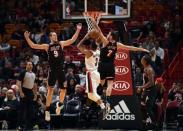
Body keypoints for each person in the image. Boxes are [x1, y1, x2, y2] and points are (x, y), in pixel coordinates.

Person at [24, 23, 82, 121]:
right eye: (54, 35)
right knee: (50, 90)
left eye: (56, 35)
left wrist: (78, 30)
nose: (55, 36)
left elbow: (72, 40)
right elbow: (33, 46)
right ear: (50, 37)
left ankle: (59, 105)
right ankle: (47, 110)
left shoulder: (61, 44)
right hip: (52, 71)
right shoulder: (47, 46)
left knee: (63, 89)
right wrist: (27, 37)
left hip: (61, 70)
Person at [92, 21, 149, 103]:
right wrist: (142, 49)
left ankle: (100, 95)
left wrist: (95, 23)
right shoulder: (118, 44)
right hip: (110, 65)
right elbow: (131, 48)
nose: (107, 35)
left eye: (109, 34)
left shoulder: (105, 41)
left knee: (101, 83)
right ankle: (107, 100)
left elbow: (99, 31)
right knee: (110, 84)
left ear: (111, 36)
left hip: (102, 64)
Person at [77, 33, 107, 117]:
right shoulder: (98, 51)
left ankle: (103, 106)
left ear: (90, 47)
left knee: (91, 94)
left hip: (91, 74)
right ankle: (102, 106)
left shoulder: (89, 52)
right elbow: (97, 43)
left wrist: (84, 38)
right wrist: (96, 38)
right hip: (97, 73)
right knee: (90, 95)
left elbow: (78, 46)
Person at [136, 55, 157, 127]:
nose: (141, 59)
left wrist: (141, 87)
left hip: (151, 90)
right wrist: (142, 88)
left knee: (148, 108)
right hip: (146, 90)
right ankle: (144, 123)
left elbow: (151, 82)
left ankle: (155, 124)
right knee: (142, 106)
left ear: (145, 61)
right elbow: (145, 81)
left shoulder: (149, 69)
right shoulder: (145, 68)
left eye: (142, 58)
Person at [16, 61, 36, 130]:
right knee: (22, 110)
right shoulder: (23, 72)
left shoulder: (34, 74)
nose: (30, 66)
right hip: (24, 91)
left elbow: (34, 85)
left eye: (31, 64)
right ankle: (20, 126)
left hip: (30, 92)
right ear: (26, 66)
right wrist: (21, 92)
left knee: (30, 110)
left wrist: (35, 94)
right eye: (29, 64)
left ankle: (29, 126)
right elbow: (18, 83)